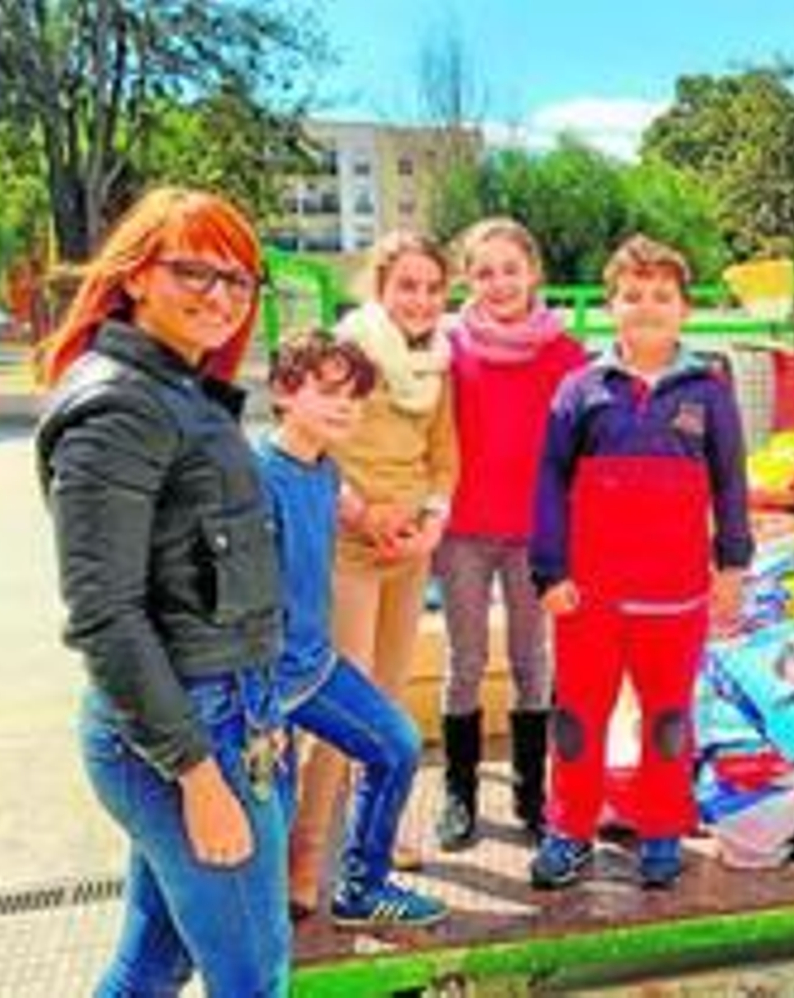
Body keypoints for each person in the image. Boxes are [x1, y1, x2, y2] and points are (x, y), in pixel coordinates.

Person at [35, 187, 290, 994]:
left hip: (221, 710)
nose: (221, 296)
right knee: (255, 972)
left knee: (153, 961)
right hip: (182, 732)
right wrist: (197, 773)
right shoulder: (120, 406)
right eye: (195, 271)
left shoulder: (176, 390)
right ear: (137, 275)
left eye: (239, 280)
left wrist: (261, 710)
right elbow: (105, 614)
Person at [529, 234, 753, 890]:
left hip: (675, 597)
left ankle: (662, 829)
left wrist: (732, 569)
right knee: (577, 718)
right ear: (610, 307)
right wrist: (549, 572)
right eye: (633, 295)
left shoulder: (709, 392)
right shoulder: (581, 389)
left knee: (667, 718)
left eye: (662, 296)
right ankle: (569, 832)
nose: (647, 307)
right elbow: (548, 481)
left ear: (685, 309)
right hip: (588, 598)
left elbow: (731, 484)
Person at [288, 232, 458, 915]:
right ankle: (305, 851)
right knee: (345, 700)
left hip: (408, 549)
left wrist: (434, 521)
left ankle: (371, 839)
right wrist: (363, 514)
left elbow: (444, 456)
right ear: (379, 288)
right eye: (406, 285)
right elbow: (313, 443)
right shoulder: (348, 353)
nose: (419, 300)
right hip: (351, 548)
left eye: (431, 288)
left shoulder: (437, 365)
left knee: (386, 703)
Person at [257, 332, 448, 928]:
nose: (345, 407)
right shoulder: (254, 478)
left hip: (317, 666)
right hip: (267, 682)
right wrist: (262, 712)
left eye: (355, 398)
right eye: (328, 391)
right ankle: (262, 922)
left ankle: (362, 888)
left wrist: (382, 520)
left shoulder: (324, 468)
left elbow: (341, 498)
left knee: (397, 743)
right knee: (272, 809)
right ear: (284, 393)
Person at [433, 218, 586, 851]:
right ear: (468, 279)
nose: (499, 283)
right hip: (464, 531)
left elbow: (585, 445)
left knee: (532, 661)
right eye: (484, 271)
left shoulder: (565, 353)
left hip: (534, 535)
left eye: (510, 269)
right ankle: (459, 793)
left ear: (533, 273)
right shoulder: (446, 346)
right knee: (465, 661)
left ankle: (530, 792)